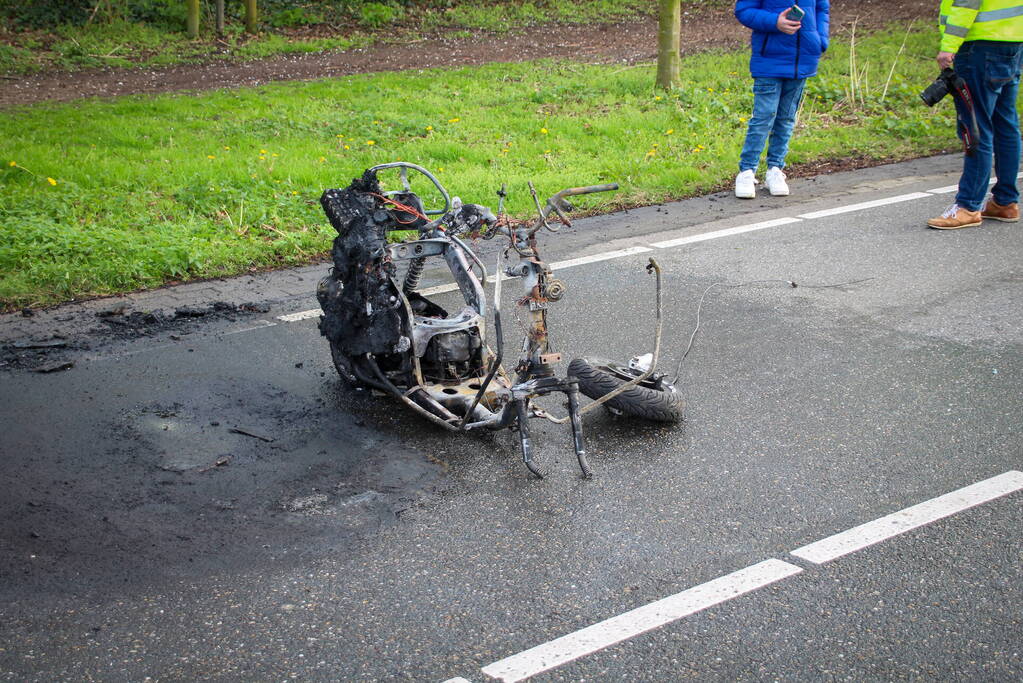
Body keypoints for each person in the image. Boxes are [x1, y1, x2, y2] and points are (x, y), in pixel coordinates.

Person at [927, 0, 1023, 229]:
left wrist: (949, 45)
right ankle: (1005, 202)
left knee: (975, 126)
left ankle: (968, 206)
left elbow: (966, 3)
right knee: (1005, 124)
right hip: (1012, 42)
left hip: (979, 46)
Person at [733, 1, 830, 199]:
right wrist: (775, 21)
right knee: (763, 117)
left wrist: (820, 39)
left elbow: (822, 8)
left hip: (803, 61)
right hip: (769, 60)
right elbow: (744, 10)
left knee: (786, 118)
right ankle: (746, 172)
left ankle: (775, 170)